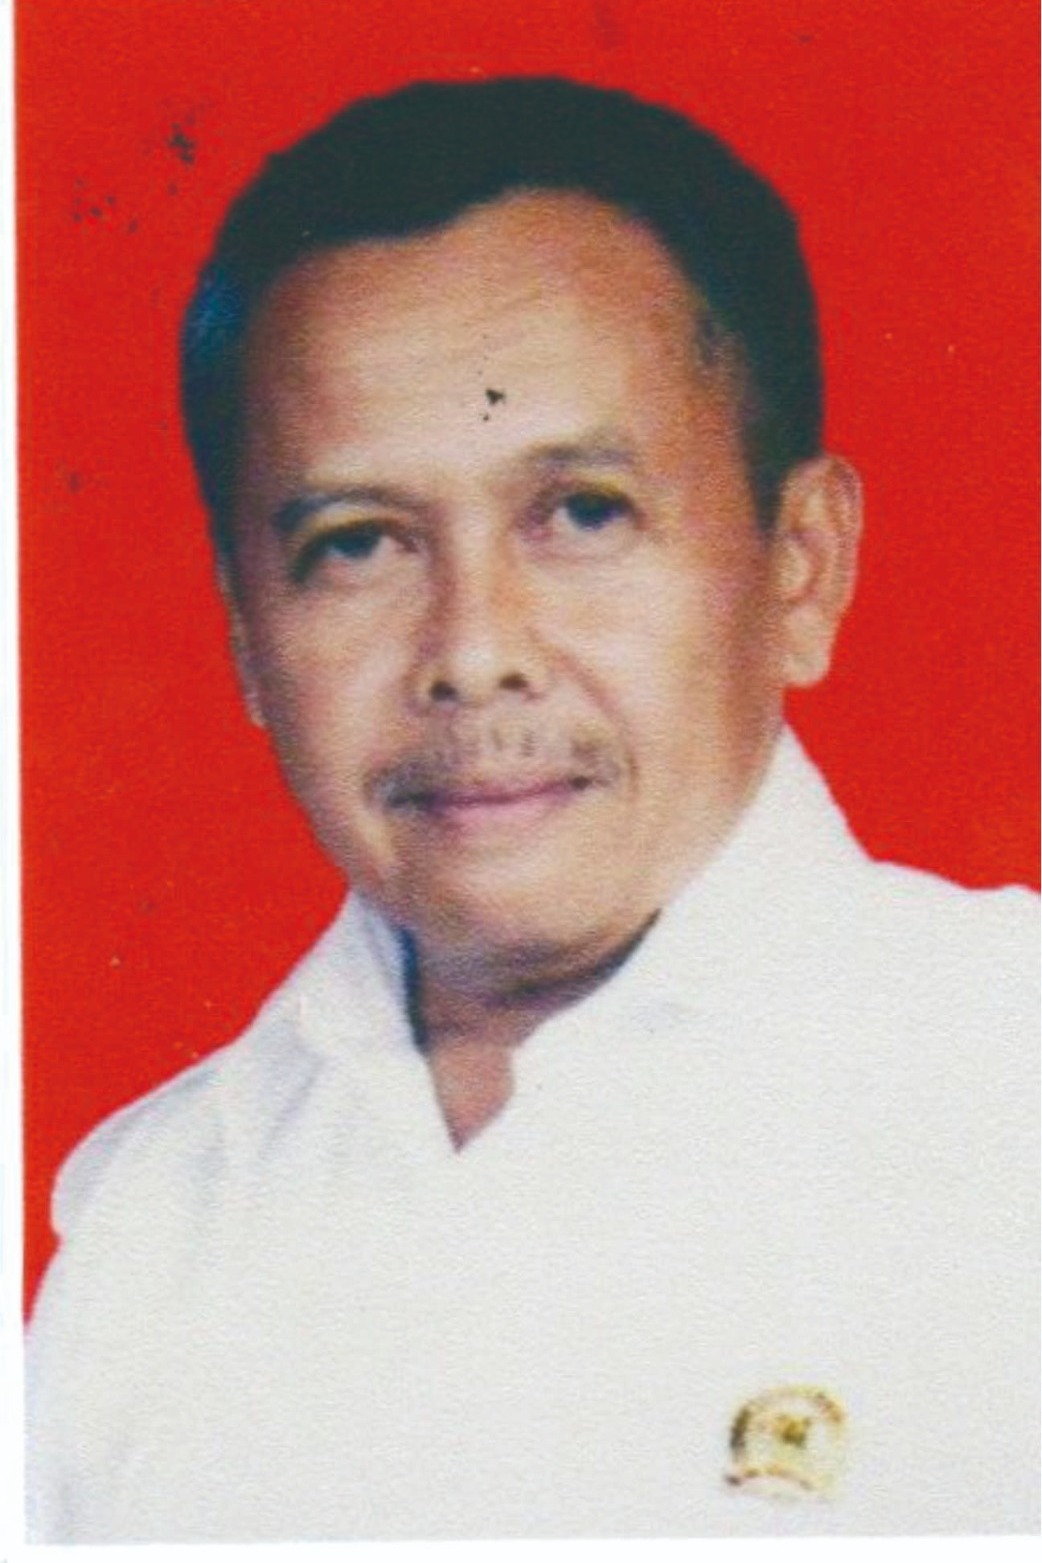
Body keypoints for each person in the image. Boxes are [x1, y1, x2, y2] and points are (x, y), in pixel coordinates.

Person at [26, 76, 1037, 1540]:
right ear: (247, 637)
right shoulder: (155, 1221)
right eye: (358, 543)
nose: (472, 650)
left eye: (581, 514)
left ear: (801, 564)